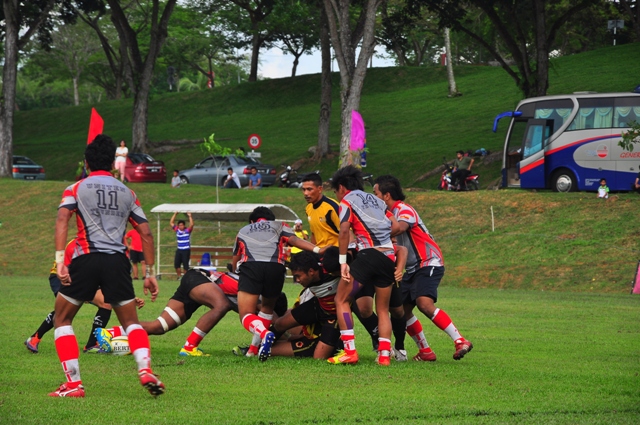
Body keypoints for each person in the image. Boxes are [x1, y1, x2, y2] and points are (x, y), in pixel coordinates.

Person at [50, 134, 163, 398]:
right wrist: (149, 273)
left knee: (62, 318)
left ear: (87, 163)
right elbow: (146, 233)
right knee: (131, 322)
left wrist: (60, 261)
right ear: (113, 163)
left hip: (86, 259)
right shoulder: (128, 193)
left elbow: (62, 219)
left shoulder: (76, 188)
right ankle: (145, 370)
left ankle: (73, 384)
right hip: (118, 262)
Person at [373, 174, 473, 361]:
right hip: (412, 269)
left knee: (424, 303)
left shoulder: (404, 209)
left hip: (428, 262)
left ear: (386, 195)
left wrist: (372, 234)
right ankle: (425, 351)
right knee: (401, 310)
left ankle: (460, 341)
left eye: (375, 193)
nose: (373, 198)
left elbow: (400, 228)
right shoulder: (387, 215)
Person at [327, 165, 403, 366]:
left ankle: (350, 352)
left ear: (341, 187)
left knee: (341, 299)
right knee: (383, 309)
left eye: (335, 191)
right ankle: (384, 356)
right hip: (388, 257)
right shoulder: (378, 201)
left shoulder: (346, 201)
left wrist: (343, 262)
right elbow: (396, 226)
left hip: (369, 255)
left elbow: (344, 231)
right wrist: (382, 237)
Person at [230, 206, 325, 361]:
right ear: (271, 220)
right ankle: (253, 350)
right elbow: (294, 240)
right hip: (276, 267)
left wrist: (235, 271)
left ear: (253, 221)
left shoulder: (243, 230)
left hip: (252, 266)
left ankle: (265, 333)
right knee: (267, 309)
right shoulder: (279, 226)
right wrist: (318, 250)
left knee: (246, 314)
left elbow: (236, 257)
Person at [300, 172, 380, 349]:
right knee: (333, 301)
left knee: (355, 304)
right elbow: (314, 235)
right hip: (322, 263)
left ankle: (377, 338)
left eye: (309, 189)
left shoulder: (332, 207)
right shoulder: (309, 209)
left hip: (337, 262)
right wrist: (313, 255)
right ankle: (328, 341)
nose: (306, 193)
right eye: (303, 189)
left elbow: (348, 233)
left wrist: (346, 259)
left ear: (320, 189)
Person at [96, 268, 235, 357]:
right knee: (222, 305)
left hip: (194, 280)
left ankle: (110, 333)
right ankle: (190, 347)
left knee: (160, 326)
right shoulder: (245, 283)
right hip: (199, 278)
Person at [25, 239, 114, 354]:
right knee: (64, 311)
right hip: (62, 277)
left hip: (86, 279)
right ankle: (35, 338)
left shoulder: (103, 246)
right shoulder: (75, 245)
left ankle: (92, 344)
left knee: (106, 303)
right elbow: (72, 269)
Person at [171, 212, 194, 280]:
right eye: (179, 225)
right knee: (176, 264)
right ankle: (179, 276)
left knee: (185, 265)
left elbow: (191, 225)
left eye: (182, 225)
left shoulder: (187, 231)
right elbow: (171, 223)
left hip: (186, 250)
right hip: (179, 250)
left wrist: (190, 216)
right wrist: (175, 214)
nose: (181, 226)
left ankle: (185, 277)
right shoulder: (177, 230)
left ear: (184, 225)